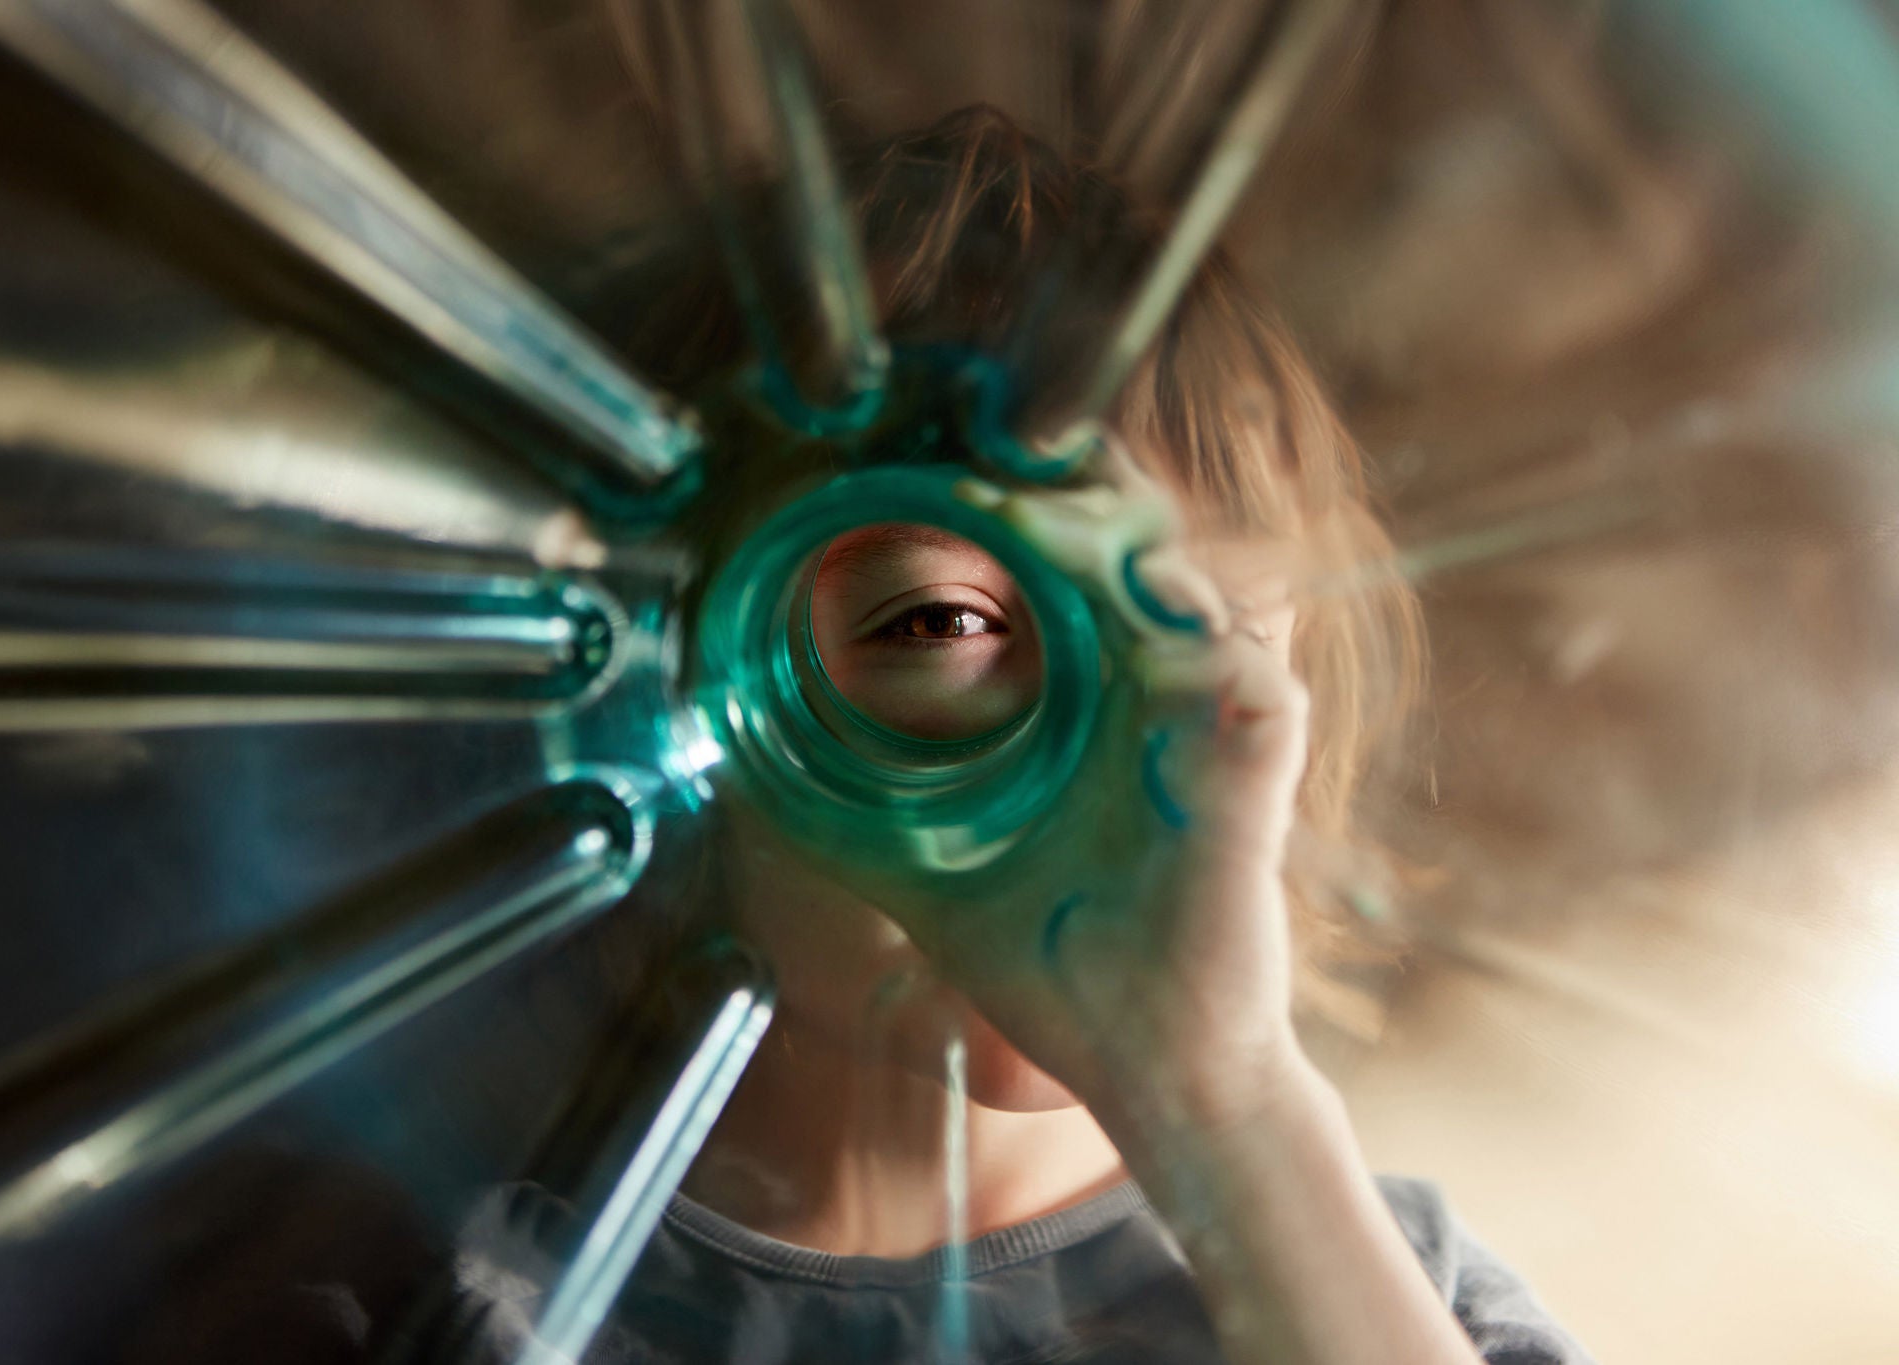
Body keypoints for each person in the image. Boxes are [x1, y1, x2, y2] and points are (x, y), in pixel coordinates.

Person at [425, 108, 1590, 1365]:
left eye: (1211, 628)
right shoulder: (428, 1302)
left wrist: (1231, 1108)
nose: (1109, 743)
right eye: (942, 623)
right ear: (674, 677)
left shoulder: (1388, 1299)